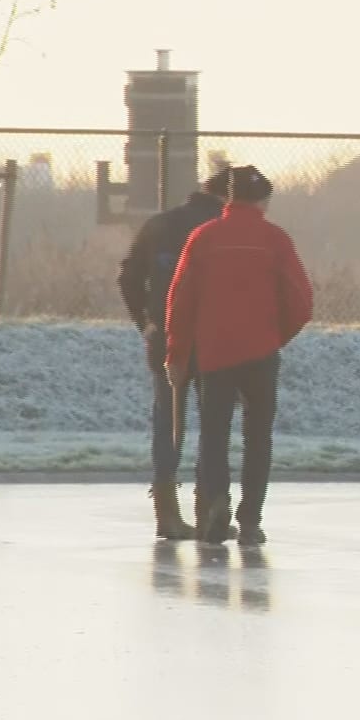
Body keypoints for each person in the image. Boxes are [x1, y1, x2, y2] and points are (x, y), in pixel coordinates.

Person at [163, 165, 313, 561]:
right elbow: (301, 300)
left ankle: (216, 503)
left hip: (214, 354)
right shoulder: (275, 240)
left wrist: (177, 353)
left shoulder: (203, 238)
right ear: (262, 200)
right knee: (257, 437)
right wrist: (275, 335)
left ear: (228, 200)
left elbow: (180, 301)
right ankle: (250, 522)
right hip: (261, 353)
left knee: (214, 433)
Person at [117, 177, 227, 540]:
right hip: (214, 337)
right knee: (213, 422)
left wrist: (144, 321)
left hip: (164, 336)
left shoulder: (159, 224)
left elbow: (128, 276)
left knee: (168, 419)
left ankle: (167, 513)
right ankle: (208, 506)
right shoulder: (223, 228)